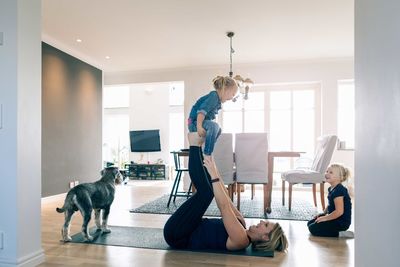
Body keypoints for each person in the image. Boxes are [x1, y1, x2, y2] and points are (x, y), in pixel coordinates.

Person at [163, 133, 288, 251]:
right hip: (188, 225)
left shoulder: (241, 240)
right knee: (210, 190)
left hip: (178, 234)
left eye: (265, 226)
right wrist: (214, 170)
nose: (261, 222)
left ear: (265, 238)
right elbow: (227, 200)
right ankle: (198, 147)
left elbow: (223, 207)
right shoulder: (241, 224)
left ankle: (194, 145)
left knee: (206, 193)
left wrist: (214, 175)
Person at [187, 76, 238, 159]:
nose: (232, 97)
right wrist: (199, 127)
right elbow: (201, 112)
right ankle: (207, 154)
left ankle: (206, 147)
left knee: (218, 129)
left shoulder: (217, 100)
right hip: (194, 122)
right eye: (232, 94)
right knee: (214, 126)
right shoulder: (214, 96)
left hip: (199, 121)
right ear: (225, 89)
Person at [307, 163, 352, 237]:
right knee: (310, 223)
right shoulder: (332, 188)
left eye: (331, 172)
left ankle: (340, 233)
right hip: (334, 217)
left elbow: (339, 212)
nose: (327, 174)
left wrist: (325, 218)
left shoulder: (339, 191)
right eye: (327, 171)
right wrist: (323, 214)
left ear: (340, 177)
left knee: (313, 228)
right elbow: (330, 204)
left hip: (341, 222)